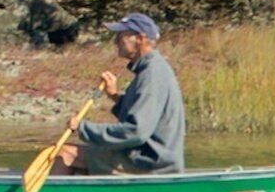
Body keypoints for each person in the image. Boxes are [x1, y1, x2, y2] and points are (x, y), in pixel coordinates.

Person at [57, 13, 186, 174]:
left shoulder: (152, 75)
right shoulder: (151, 70)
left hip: (150, 163)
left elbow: (136, 131)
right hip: (143, 157)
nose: (116, 41)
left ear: (139, 39)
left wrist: (84, 129)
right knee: (80, 158)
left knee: (63, 154)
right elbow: (141, 114)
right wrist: (115, 96)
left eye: (121, 35)